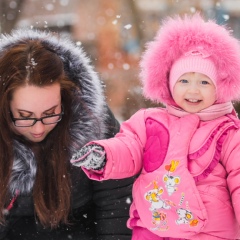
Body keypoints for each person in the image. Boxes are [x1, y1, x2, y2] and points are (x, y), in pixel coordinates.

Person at [70, 13, 240, 240]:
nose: (193, 90)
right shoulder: (149, 122)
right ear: (169, 84)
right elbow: (128, 148)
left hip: (210, 231)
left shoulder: (229, 132)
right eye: (184, 81)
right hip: (153, 227)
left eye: (204, 82)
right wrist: (105, 155)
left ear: (218, 86)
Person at [0, 29, 134, 240]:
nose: (38, 129)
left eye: (50, 113)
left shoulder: (96, 123)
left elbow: (116, 201)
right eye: (25, 116)